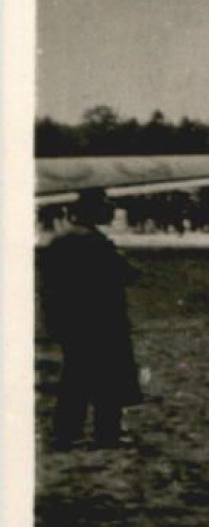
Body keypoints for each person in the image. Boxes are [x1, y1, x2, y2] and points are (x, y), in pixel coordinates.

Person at [39, 189, 142, 450]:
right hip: (101, 320)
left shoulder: (60, 241)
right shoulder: (97, 243)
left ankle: (66, 432)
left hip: (71, 320)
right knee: (108, 375)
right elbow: (127, 274)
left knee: (75, 376)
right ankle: (107, 432)